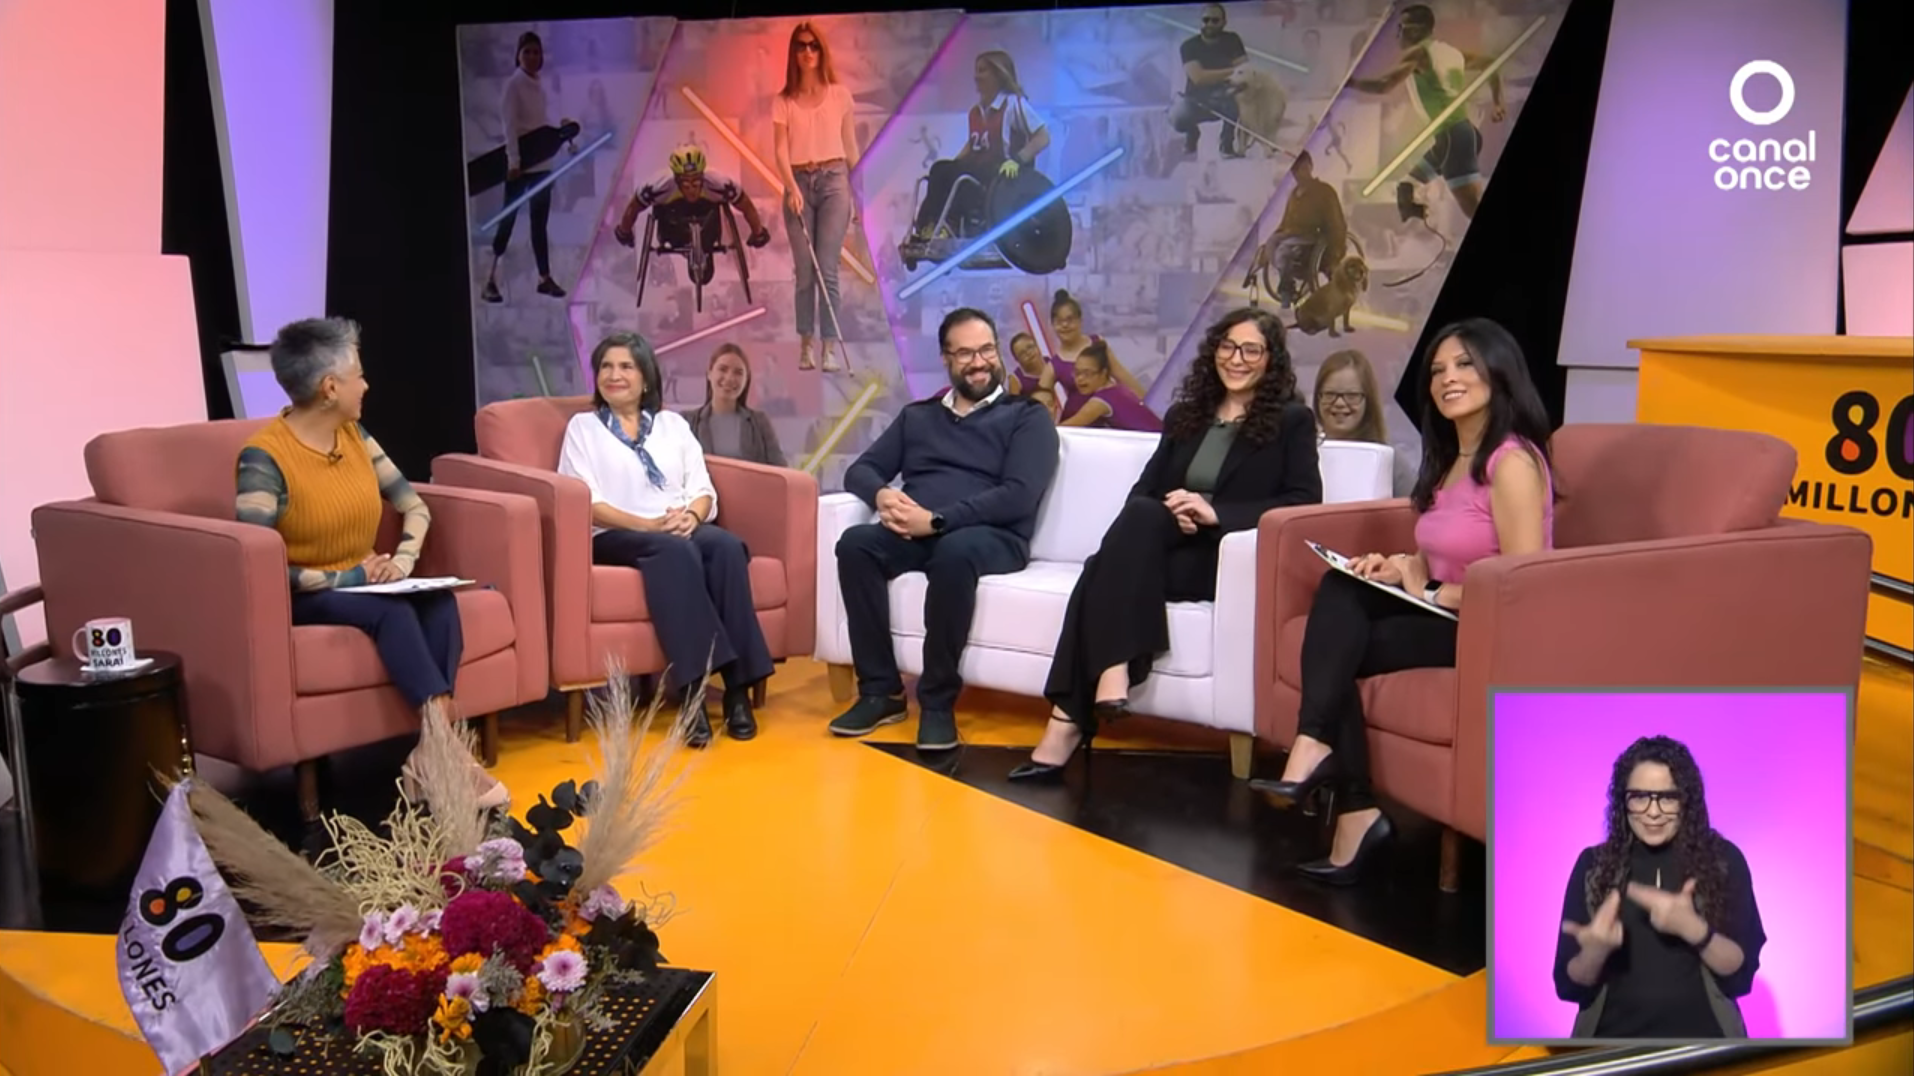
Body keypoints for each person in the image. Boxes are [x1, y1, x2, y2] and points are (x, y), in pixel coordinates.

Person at [1248, 318, 1555, 883]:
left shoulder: (1512, 463)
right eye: (1438, 370)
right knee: (1340, 588)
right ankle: (1346, 793)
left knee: (1334, 648)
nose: (1447, 379)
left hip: (1484, 633)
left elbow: (1521, 589)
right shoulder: (1451, 460)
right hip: (1440, 612)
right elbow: (1442, 551)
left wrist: (1432, 588)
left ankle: (1341, 787)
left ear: (1500, 371)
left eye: (1464, 364)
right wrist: (1400, 567)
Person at [1013, 308, 1321, 780]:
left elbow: (1303, 503)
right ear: (1213, 350)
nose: (1236, 359)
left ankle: (1072, 716)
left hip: (1225, 560)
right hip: (1166, 547)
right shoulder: (1185, 415)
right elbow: (1144, 491)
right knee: (1140, 512)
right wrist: (1175, 511)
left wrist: (1216, 512)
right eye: (1227, 346)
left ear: (1270, 360)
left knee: (1100, 570)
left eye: (1251, 350)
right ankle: (1097, 686)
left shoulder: (1292, 421)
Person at [234, 318, 505, 808]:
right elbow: (255, 565)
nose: (367, 384)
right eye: (358, 374)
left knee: (438, 600)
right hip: (304, 594)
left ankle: (431, 753)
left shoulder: (355, 436)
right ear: (329, 387)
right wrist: (354, 576)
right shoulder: (264, 457)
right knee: (393, 612)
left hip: (364, 584)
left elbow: (413, 505)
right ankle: (444, 756)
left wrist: (402, 563)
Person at [828, 308, 1061, 751]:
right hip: (920, 531)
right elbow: (862, 470)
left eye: (987, 350)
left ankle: (936, 703)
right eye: (966, 353)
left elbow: (1018, 494)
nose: (979, 362)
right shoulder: (919, 416)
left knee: (954, 551)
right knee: (856, 544)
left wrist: (936, 521)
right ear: (947, 359)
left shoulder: (1027, 417)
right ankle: (881, 692)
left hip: (993, 535)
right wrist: (881, 496)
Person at [557, 332, 774, 748]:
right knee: (674, 550)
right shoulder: (583, 428)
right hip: (616, 534)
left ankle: (736, 691)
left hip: (677, 527)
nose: (614, 375)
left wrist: (691, 516)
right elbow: (587, 502)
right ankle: (692, 692)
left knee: (726, 547)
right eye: (606, 366)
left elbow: (703, 488)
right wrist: (650, 525)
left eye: (625, 367)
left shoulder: (672, 426)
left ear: (645, 377)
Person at [1555, 736, 1766, 1039]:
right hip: (1611, 1047)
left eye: (1667, 797)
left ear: (1687, 800)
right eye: (1640, 797)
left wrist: (1693, 929)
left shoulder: (1723, 860)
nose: (1653, 812)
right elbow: (1569, 986)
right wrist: (1594, 953)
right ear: (1622, 801)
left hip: (1705, 1044)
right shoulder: (1593, 866)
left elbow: (1739, 977)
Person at [1348, 4, 1506, 221]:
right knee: (1405, 188)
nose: (1397, 34)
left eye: (1401, 28)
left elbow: (1384, 85)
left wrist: (1348, 83)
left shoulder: (1419, 52)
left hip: (1454, 138)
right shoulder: (1451, 52)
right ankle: (1419, 211)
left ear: (1415, 30)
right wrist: (1498, 103)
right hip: (1453, 137)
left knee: (1472, 209)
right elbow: (1490, 63)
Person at [772, 22, 859, 375]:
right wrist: (791, 187)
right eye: (801, 46)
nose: (808, 52)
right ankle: (806, 343)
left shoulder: (840, 95)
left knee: (829, 268)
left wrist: (860, 194)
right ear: (793, 53)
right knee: (805, 271)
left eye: (814, 46)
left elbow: (851, 147)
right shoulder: (784, 101)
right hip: (799, 181)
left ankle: (829, 348)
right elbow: (779, 150)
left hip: (834, 178)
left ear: (821, 52)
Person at [904, 51, 1052, 247]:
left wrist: (1018, 160)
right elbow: (974, 143)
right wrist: (952, 164)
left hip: (1004, 172)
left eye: (982, 71)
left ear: (997, 75)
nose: (976, 76)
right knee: (940, 169)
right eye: (976, 71)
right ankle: (927, 227)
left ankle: (957, 223)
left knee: (957, 173)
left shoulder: (1014, 104)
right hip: (981, 169)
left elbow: (1043, 137)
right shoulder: (976, 111)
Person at [483, 32, 570, 304]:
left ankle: (544, 278)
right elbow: (509, 126)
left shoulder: (541, 86)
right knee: (507, 221)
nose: (532, 56)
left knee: (538, 225)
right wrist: (514, 162)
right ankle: (490, 280)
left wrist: (564, 132)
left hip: (542, 166)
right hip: (520, 167)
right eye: (527, 52)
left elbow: (544, 121)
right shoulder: (513, 85)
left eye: (536, 52)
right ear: (518, 55)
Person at [614, 145, 772, 285]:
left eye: (696, 183)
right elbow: (633, 208)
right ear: (676, 179)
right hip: (672, 227)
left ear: (703, 177)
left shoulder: (720, 183)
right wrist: (624, 231)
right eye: (686, 184)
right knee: (666, 209)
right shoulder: (658, 185)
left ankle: (703, 243)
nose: (692, 189)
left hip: (708, 225)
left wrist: (758, 232)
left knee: (713, 206)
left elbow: (746, 205)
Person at [1314, 349, 1417, 497]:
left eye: (1351, 396)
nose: (1340, 403)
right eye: (1330, 394)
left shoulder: (1391, 461)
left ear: (1368, 401)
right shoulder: (1304, 457)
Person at [684, 343, 787, 467]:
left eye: (738, 373)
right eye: (723, 369)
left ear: (746, 380)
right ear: (709, 373)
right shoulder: (687, 422)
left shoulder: (760, 422)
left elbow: (780, 470)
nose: (729, 378)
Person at [1169, 4, 1248, 158]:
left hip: (1226, 97)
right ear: (1200, 22)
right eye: (1206, 20)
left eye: (1215, 20)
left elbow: (1245, 72)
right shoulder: (1189, 46)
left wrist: (1216, 77)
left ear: (1224, 22)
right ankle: (1192, 133)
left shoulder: (1232, 40)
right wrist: (1232, 72)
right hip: (1197, 101)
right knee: (1177, 117)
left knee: (1243, 96)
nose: (1210, 24)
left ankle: (1227, 145)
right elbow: (1198, 78)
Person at [1050, 290, 1144, 396]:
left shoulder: (1097, 343)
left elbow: (1121, 375)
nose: (1065, 325)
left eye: (1070, 320)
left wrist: (1148, 403)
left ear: (1080, 320)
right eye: (1059, 321)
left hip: (1110, 407)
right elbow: (1041, 394)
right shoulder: (1054, 364)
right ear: (1053, 324)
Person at [1059, 341, 1163, 432]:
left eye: (1087, 373)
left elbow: (1065, 428)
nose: (1080, 379)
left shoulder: (1099, 402)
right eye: (1077, 373)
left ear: (1103, 373)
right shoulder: (1119, 388)